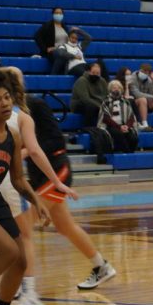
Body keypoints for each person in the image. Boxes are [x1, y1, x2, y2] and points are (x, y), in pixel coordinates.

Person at [0, 67, 77, 305]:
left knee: (19, 257)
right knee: (8, 250)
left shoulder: (12, 134)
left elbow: (17, 179)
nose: (4, 103)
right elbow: (33, 153)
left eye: (6, 97)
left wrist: (37, 202)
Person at [24, 91, 117, 291]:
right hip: (37, 174)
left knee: (22, 228)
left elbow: (56, 141)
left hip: (57, 168)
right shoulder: (9, 113)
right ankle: (102, 266)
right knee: (65, 227)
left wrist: (24, 151)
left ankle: (24, 288)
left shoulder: (35, 105)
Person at [99, 80, 139, 153]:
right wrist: (119, 127)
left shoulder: (126, 101)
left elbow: (131, 117)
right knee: (118, 134)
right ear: (110, 89)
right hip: (111, 126)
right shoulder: (106, 102)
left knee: (133, 137)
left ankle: (130, 153)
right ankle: (127, 154)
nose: (116, 89)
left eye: (118, 88)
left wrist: (127, 126)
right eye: (114, 88)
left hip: (124, 125)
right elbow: (106, 118)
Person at [128, 63, 153, 130]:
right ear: (140, 70)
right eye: (144, 72)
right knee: (142, 99)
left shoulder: (148, 79)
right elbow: (136, 93)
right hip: (133, 102)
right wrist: (152, 97)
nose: (145, 74)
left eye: (147, 73)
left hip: (146, 102)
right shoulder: (132, 77)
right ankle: (145, 125)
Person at [71, 62, 108, 128]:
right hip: (80, 104)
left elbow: (106, 95)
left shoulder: (102, 81)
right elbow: (85, 99)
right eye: (93, 73)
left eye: (98, 73)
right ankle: (88, 128)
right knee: (90, 107)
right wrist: (100, 106)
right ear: (88, 71)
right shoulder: (82, 81)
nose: (95, 75)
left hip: (99, 104)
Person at [32, 7, 69, 73]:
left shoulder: (65, 27)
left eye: (60, 13)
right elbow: (37, 36)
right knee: (61, 56)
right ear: (53, 14)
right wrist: (45, 49)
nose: (58, 15)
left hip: (65, 50)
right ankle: (53, 76)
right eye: (56, 13)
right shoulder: (48, 25)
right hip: (53, 51)